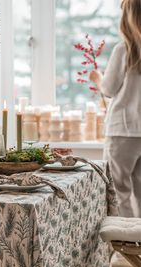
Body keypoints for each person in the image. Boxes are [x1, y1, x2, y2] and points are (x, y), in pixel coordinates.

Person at [90, 0, 141, 217]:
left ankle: (127, 244)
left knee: (118, 190)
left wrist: (98, 78)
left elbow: (109, 89)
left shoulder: (124, 49)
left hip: (123, 131)